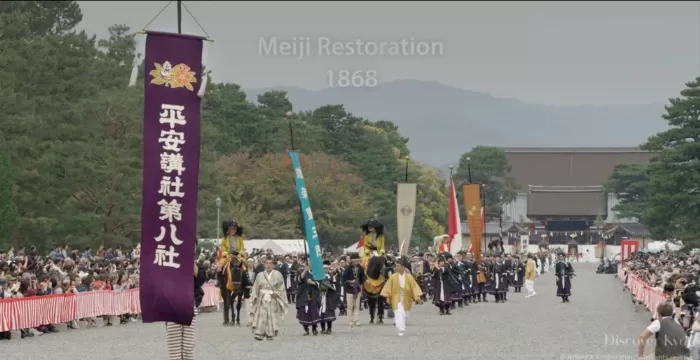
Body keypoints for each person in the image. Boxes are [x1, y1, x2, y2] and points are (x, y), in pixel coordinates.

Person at [165, 261, 206, 360]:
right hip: (171, 307)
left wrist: (189, 258)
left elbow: (201, 279)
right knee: (174, 345)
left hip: (189, 306)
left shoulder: (196, 265)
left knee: (188, 345)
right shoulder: (168, 261)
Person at [380, 257, 422, 337]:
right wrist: (387, 297)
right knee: (398, 312)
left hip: (406, 297)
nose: (396, 267)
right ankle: (401, 328)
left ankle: (401, 326)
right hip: (396, 296)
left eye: (398, 266)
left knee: (405, 314)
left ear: (403, 267)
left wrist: (416, 296)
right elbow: (388, 287)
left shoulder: (409, 277)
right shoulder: (393, 277)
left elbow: (414, 286)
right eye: (396, 266)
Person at [250, 256, 288, 341]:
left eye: (270, 263)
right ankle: (259, 333)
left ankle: (270, 334)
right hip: (262, 297)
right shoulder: (260, 275)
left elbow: (281, 287)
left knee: (271, 315)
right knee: (261, 315)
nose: (268, 265)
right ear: (264, 264)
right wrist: (254, 297)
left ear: (273, 265)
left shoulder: (278, 274)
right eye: (267, 263)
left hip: (273, 297)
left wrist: (277, 293)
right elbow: (255, 287)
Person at [296, 258, 321, 336]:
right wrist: (305, 271)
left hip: (313, 295)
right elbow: (299, 279)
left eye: (310, 261)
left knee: (313, 312)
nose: (309, 263)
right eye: (307, 262)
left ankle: (314, 328)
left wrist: (313, 283)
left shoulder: (314, 272)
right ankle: (306, 329)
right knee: (304, 313)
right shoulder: (300, 271)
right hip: (303, 296)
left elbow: (319, 283)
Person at [342, 252, 365, 327]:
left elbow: (362, 278)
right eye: (356, 260)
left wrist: (362, 285)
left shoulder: (361, 268)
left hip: (357, 289)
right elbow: (343, 279)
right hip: (349, 289)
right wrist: (350, 282)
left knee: (357, 305)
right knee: (350, 306)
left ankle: (356, 320)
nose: (358, 261)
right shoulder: (347, 269)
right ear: (352, 260)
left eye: (358, 259)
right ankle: (350, 320)